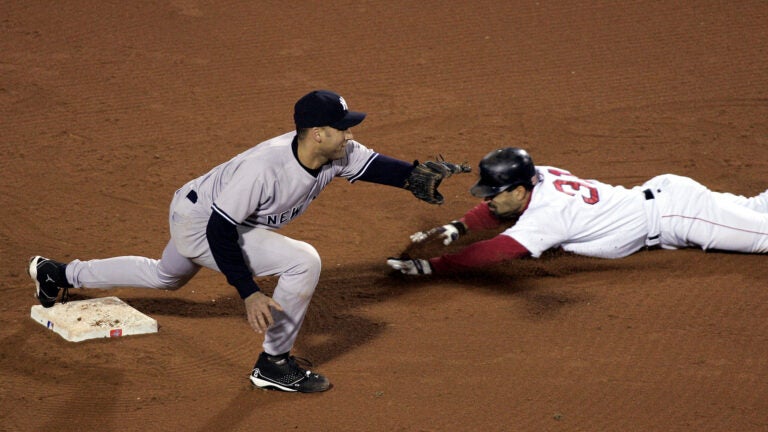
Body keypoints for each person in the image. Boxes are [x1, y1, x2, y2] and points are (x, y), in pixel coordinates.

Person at [28, 89, 469, 393]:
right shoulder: (266, 168)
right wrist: (249, 292)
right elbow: (220, 231)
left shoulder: (335, 153)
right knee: (303, 261)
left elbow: (374, 166)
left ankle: (58, 273)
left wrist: (411, 176)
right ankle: (273, 364)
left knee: (165, 277)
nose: (350, 134)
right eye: (342, 127)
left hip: (209, 212)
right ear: (318, 132)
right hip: (202, 222)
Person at [387, 147, 768, 276]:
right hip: (670, 198)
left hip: (680, 215)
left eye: (493, 193)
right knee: (756, 209)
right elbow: (497, 211)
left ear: (520, 189)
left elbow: (496, 251)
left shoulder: (547, 217)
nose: (487, 201)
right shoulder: (544, 174)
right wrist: (461, 224)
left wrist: (434, 265)